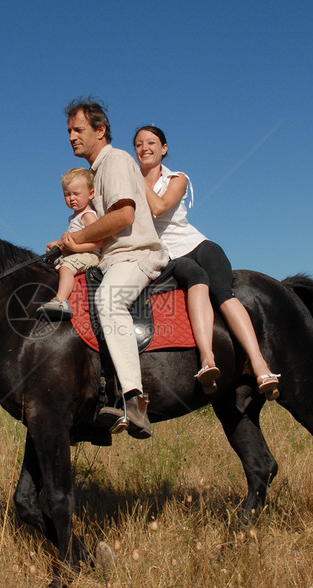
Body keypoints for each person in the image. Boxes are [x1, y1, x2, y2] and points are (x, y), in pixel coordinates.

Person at [134, 125, 281, 399]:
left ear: (164, 149)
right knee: (195, 282)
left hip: (198, 246)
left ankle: (259, 364)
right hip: (167, 255)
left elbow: (159, 207)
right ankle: (207, 359)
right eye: (139, 144)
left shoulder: (177, 178)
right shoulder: (128, 183)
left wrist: (137, 178)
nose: (145, 148)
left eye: (151, 142)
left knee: (224, 294)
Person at [58, 97, 168, 438]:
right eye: (69, 131)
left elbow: (124, 216)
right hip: (110, 257)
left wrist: (77, 240)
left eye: (79, 130)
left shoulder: (116, 160)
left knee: (109, 301)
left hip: (135, 255)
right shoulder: (96, 171)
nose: (72, 137)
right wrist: (65, 247)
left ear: (100, 130)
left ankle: (134, 400)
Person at [37, 168, 102, 319]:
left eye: (76, 194)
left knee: (66, 267)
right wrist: (57, 246)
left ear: (90, 194)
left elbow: (100, 242)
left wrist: (75, 248)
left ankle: (61, 301)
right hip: (79, 254)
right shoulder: (74, 217)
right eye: (67, 194)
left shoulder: (88, 216)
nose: (71, 198)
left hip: (91, 255)